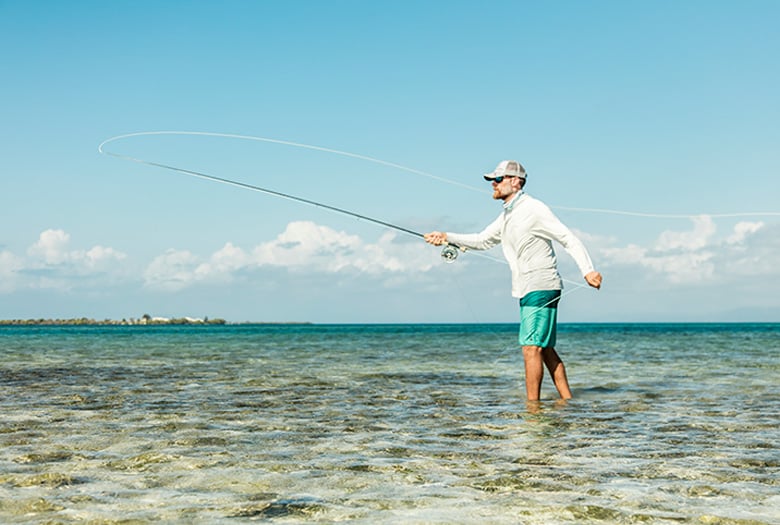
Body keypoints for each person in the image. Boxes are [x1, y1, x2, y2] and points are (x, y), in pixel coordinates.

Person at [424, 160, 602, 401]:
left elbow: (568, 238)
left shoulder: (534, 208)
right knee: (544, 348)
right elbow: (482, 240)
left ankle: (532, 410)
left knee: (531, 348)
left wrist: (588, 271)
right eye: (492, 181)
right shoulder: (508, 214)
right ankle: (568, 401)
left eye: (498, 180)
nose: (493, 185)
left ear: (515, 182)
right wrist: (446, 237)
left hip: (542, 283)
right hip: (526, 288)